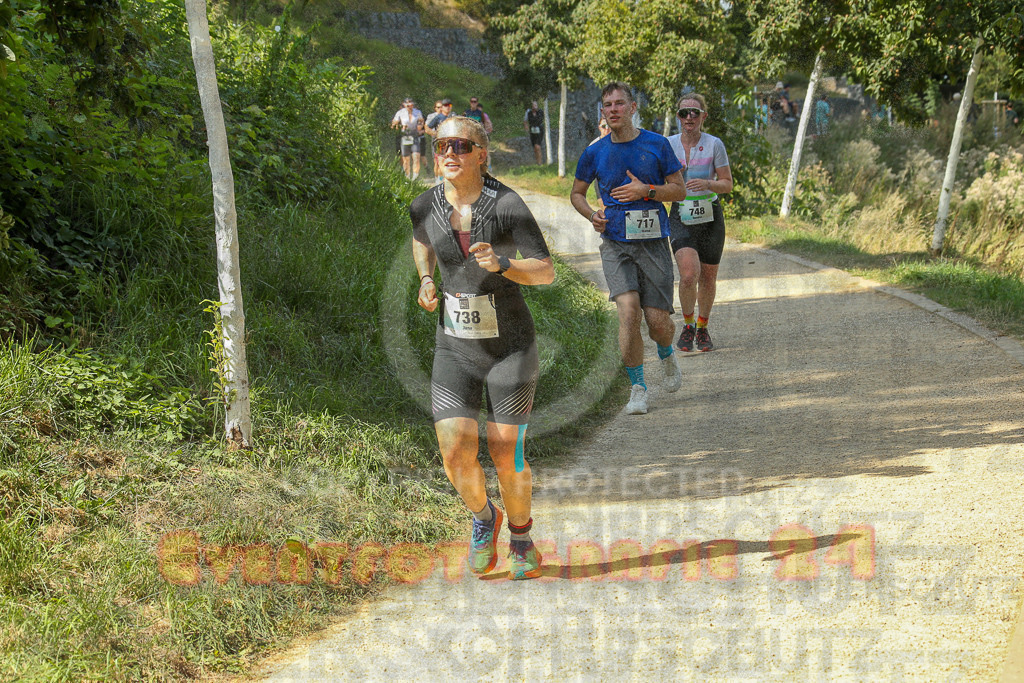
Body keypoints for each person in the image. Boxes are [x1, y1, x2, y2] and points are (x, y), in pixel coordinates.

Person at [410, 115, 555, 580]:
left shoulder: (507, 205)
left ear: (481, 154)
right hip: (454, 348)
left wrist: (505, 263)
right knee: (454, 451)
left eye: (460, 146)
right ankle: (483, 518)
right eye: (441, 146)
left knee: (504, 449)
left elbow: (546, 271)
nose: (449, 153)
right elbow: (420, 241)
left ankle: (521, 537)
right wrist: (427, 279)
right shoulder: (425, 204)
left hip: (510, 347)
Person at [570, 82, 686, 416]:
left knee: (657, 322)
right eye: (608, 105)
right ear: (603, 112)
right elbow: (577, 193)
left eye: (620, 103)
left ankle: (666, 353)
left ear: (632, 108)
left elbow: (678, 191)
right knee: (628, 311)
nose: (614, 109)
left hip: (652, 244)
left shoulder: (657, 145)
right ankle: (638, 388)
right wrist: (593, 214)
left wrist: (645, 191)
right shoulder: (595, 151)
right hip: (616, 244)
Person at [666, 93, 733, 354]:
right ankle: (688, 324)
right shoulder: (668, 144)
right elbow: (658, 180)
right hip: (681, 214)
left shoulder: (715, 144)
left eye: (695, 112)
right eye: (684, 113)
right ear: (679, 118)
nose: (689, 117)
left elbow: (727, 183)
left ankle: (703, 328)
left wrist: (707, 184)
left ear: (704, 116)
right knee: (688, 274)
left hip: (710, 215)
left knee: (708, 276)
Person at [390, 97, 424, 180]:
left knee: (416, 156)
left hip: (414, 135)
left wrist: (420, 126)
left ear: (413, 104)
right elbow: (393, 125)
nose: (409, 105)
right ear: (404, 104)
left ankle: (415, 177)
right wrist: (400, 125)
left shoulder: (417, 112)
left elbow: (421, 121)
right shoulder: (400, 113)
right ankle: (407, 177)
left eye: (410, 103)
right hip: (404, 136)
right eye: (407, 103)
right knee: (406, 159)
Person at [425, 98, 453, 185]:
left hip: (450, 142)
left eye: (449, 105)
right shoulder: (438, 117)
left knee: (448, 160)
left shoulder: (453, 116)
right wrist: (434, 133)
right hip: (439, 143)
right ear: (442, 108)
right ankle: (438, 179)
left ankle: (447, 178)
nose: (447, 107)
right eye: (445, 106)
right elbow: (427, 127)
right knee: (437, 162)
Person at [524, 101, 545, 165]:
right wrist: (526, 127)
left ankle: (540, 162)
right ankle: (537, 161)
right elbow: (525, 121)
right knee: (535, 148)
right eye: (533, 105)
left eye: (536, 105)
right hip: (532, 131)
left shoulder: (540, 112)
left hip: (539, 130)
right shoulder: (528, 112)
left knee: (537, 146)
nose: (534, 107)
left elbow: (542, 119)